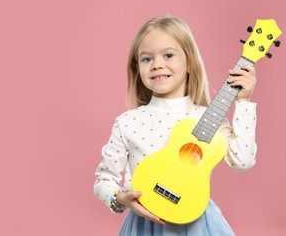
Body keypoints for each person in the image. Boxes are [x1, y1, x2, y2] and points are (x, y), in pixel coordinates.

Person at [93, 15, 257, 235]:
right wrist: (121, 198)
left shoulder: (210, 119)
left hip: (197, 223)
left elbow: (243, 162)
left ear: (189, 63)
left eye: (168, 55)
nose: (157, 64)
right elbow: (104, 179)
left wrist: (243, 102)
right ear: (137, 67)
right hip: (145, 225)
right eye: (146, 59)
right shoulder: (127, 122)